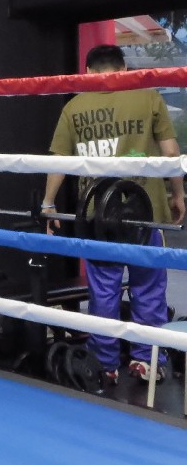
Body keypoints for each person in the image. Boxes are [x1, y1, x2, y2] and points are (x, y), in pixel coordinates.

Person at [43, 44, 185, 385]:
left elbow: (58, 159)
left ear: (89, 72)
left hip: (98, 215)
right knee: (148, 288)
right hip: (144, 213)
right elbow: (171, 152)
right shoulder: (148, 97)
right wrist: (179, 194)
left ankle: (105, 364)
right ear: (123, 69)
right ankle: (146, 360)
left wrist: (48, 203)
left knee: (104, 292)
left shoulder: (75, 106)